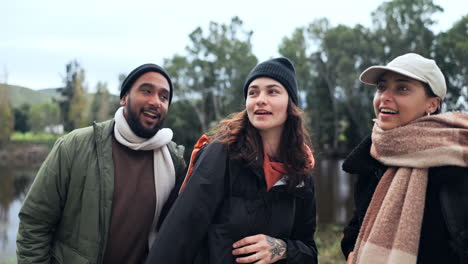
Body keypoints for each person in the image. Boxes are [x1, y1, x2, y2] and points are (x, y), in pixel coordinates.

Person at [145, 57, 318, 264]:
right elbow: (179, 233)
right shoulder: (222, 154)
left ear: (291, 104)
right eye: (253, 93)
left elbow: (309, 251)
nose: (260, 99)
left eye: (272, 91)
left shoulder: (300, 172)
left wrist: (283, 248)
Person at [16, 63, 187, 264]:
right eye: (146, 91)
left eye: (163, 97)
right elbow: (34, 224)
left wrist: (235, 236)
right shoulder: (75, 146)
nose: (155, 101)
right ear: (124, 98)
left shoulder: (175, 162)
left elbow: (194, 224)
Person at [341, 53, 468, 264]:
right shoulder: (372, 157)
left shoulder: (457, 160)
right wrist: (353, 252)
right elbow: (356, 227)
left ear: (432, 104)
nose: (385, 97)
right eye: (381, 87)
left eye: (402, 88)